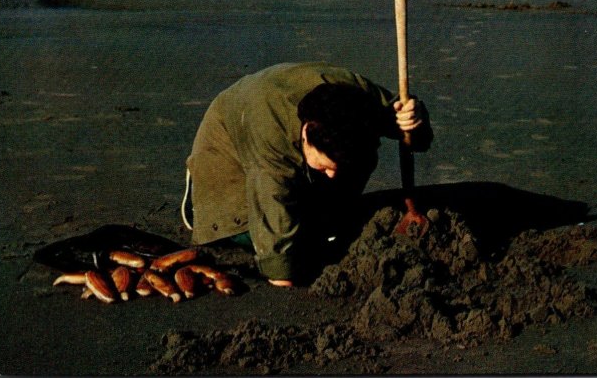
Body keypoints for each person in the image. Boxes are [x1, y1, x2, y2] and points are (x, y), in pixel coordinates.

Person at [180, 62, 433, 287]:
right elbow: (276, 233)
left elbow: (410, 130)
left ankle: (322, 219)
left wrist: (414, 119)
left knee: (357, 164)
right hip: (227, 167)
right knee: (294, 245)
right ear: (305, 135)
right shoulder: (271, 139)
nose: (333, 176)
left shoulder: (360, 96)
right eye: (324, 166)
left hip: (284, 157)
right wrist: (283, 271)